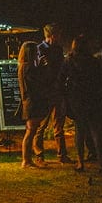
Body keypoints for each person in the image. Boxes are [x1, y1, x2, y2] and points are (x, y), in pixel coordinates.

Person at [60, 34, 102, 172]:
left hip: (77, 99)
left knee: (80, 131)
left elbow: (61, 79)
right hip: (93, 98)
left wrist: (66, 94)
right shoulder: (94, 61)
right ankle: (101, 163)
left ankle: (80, 162)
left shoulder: (69, 60)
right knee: (96, 131)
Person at [33, 24, 72, 164]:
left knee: (58, 125)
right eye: (58, 35)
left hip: (57, 91)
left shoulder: (58, 49)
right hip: (46, 92)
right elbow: (37, 69)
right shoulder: (39, 49)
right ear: (52, 35)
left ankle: (62, 155)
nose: (60, 37)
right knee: (41, 125)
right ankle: (39, 155)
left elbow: (61, 68)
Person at [17, 41, 49, 168]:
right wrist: (42, 68)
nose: (38, 53)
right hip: (32, 103)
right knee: (30, 132)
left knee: (31, 131)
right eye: (36, 51)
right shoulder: (28, 67)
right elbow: (37, 83)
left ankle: (27, 160)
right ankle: (26, 160)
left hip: (29, 102)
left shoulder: (23, 66)